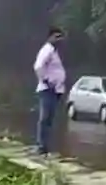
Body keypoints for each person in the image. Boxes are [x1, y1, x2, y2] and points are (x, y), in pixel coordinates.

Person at [33, 26, 66, 156]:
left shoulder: (54, 51)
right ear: (50, 37)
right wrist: (45, 80)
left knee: (50, 119)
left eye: (61, 37)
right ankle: (41, 146)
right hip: (48, 89)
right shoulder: (46, 50)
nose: (59, 40)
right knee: (45, 118)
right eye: (56, 37)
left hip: (55, 89)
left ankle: (46, 146)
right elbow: (38, 66)